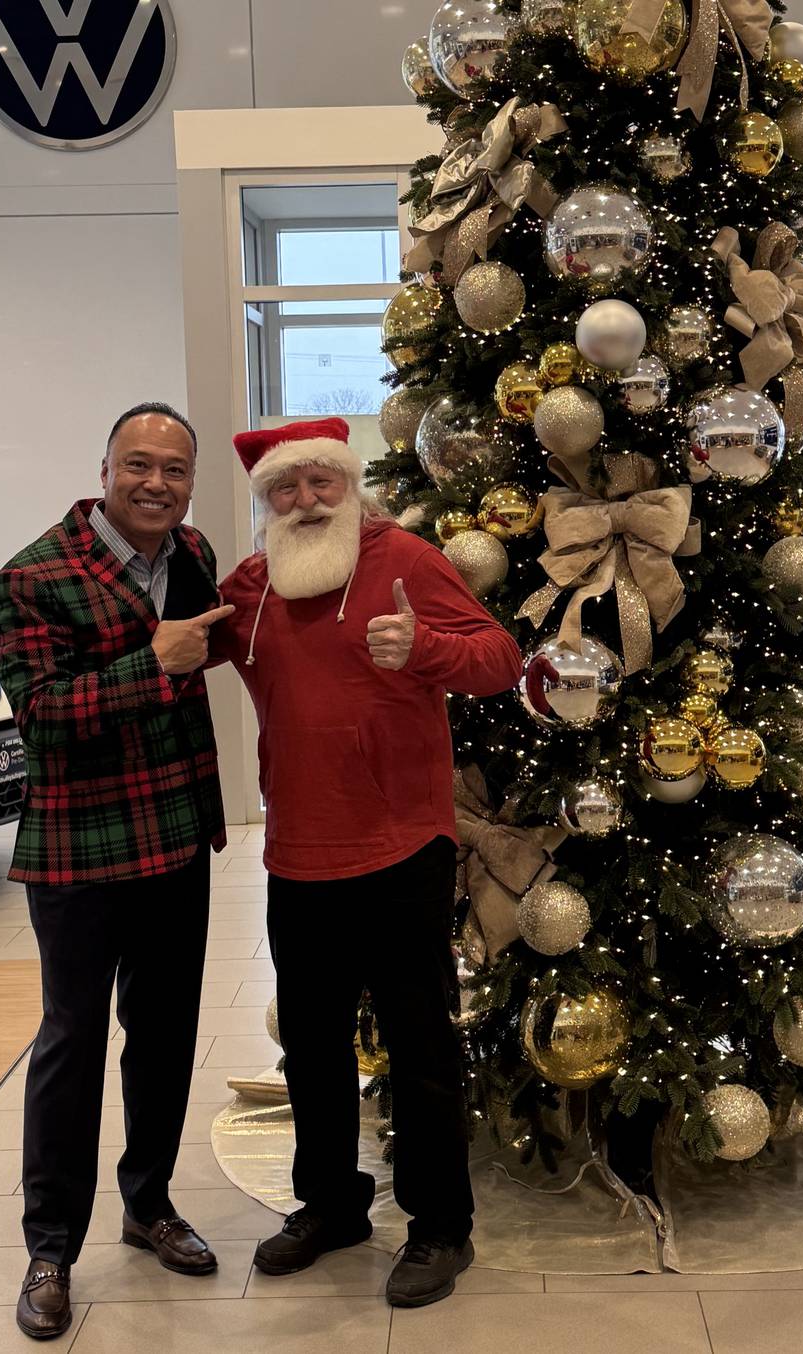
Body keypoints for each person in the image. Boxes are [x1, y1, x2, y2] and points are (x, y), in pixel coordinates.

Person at [211, 417, 522, 1309]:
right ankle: (331, 1206)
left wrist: (424, 652)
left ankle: (439, 1228)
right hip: (299, 851)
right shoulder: (255, 586)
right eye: (286, 488)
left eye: (321, 483)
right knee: (310, 1047)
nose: (305, 501)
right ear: (267, 501)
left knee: (422, 1045)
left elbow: (499, 659)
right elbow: (193, 638)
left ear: (348, 486)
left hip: (400, 848)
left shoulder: (406, 560)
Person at [0, 402, 234, 1340]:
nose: (156, 484)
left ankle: (150, 1204)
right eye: (139, 465)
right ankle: (49, 1246)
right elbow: (39, 715)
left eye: (175, 470)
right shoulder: (33, 575)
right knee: (71, 1041)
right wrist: (154, 663)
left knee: (166, 1032)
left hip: (174, 836)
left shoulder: (195, 551)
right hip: (80, 846)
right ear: (104, 470)